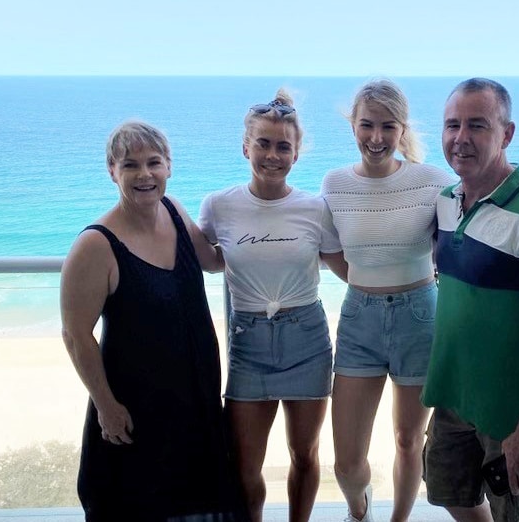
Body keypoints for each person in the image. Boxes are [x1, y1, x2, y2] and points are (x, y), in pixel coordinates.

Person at [60, 120, 249, 521]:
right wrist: (106, 405)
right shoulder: (96, 245)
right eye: (130, 165)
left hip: (195, 400)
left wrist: (266, 223)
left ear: (169, 167)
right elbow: (76, 336)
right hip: (136, 408)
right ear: (112, 171)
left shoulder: (174, 211)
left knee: (201, 502)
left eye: (154, 163)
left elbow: (214, 262)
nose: (144, 174)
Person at [420, 77, 519, 522]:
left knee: (517, 514)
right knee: (450, 491)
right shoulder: (446, 202)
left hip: (516, 413)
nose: (460, 138)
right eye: (452, 125)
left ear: (506, 134)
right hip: (455, 395)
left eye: (477, 125)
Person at [197, 89, 346, 522]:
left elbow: (347, 268)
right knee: (244, 467)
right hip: (249, 344)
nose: (272, 155)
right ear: (246, 146)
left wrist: (415, 265)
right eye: (263, 143)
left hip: (307, 338)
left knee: (304, 455)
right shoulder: (219, 205)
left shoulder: (315, 210)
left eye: (283, 146)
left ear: (297, 154)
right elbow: (204, 260)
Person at [321, 79, 454, 522]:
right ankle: (359, 509)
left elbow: (457, 246)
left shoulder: (433, 181)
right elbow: (331, 250)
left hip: (421, 314)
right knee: (346, 460)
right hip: (359, 319)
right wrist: (364, 283)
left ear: (402, 129)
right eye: (366, 125)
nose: (375, 138)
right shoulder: (334, 183)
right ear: (352, 126)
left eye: (387, 126)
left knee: (407, 439)